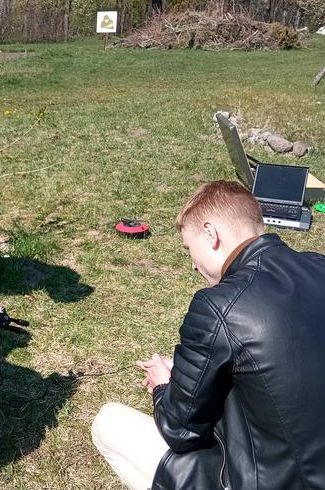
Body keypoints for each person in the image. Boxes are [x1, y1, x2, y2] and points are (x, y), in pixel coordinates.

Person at [91, 180, 325, 490]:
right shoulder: (318, 265)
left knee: (108, 422)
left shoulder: (218, 305)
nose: (192, 265)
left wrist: (164, 385)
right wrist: (192, 374)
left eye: (190, 249)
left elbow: (180, 430)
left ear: (210, 234)